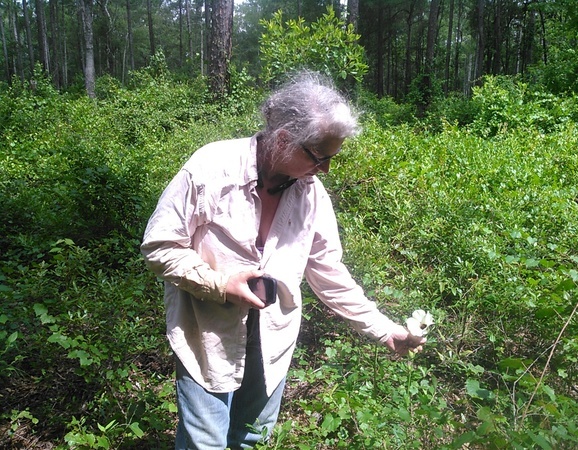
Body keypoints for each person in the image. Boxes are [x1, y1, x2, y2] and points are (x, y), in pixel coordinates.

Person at [141, 72, 427, 450]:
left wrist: (383, 329)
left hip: (274, 337)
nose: (325, 169)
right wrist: (219, 284)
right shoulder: (210, 169)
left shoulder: (311, 194)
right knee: (204, 442)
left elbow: (328, 271)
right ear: (282, 140)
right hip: (207, 333)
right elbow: (160, 246)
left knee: (252, 439)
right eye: (320, 157)